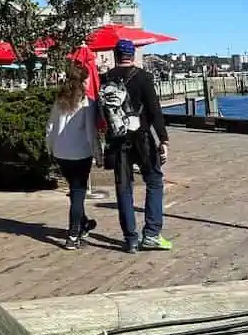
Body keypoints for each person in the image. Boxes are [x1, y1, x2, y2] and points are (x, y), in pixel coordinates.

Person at [100, 39, 172, 252]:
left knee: (124, 188)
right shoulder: (143, 77)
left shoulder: (105, 78)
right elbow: (154, 111)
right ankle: (151, 233)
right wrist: (163, 139)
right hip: (141, 138)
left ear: (115, 54)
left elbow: (101, 111)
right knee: (154, 180)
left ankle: (130, 238)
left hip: (116, 139)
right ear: (133, 55)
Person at [46, 63, 100, 250]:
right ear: (84, 80)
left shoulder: (59, 100)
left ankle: (83, 222)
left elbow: (50, 127)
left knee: (75, 191)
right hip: (80, 153)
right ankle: (73, 235)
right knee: (78, 194)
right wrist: (97, 153)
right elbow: (90, 133)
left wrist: (50, 147)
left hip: (61, 152)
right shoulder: (87, 102)